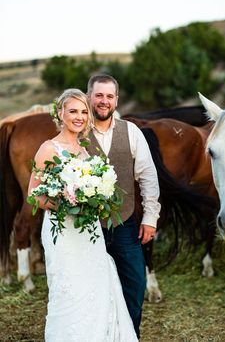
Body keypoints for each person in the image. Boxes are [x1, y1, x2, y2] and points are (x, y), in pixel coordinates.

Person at [28, 89, 138, 342]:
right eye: (73, 111)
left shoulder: (85, 150)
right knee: (69, 291)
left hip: (89, 231)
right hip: (63, 232)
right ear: (60, 113)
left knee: (95, 285)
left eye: (84, 112)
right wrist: (66, 204)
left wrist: (96, 202)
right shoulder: (48, 148)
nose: (80, 117)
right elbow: (33, 195)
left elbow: (93, 190)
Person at [86, 74, 161, 339]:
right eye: (99, 95)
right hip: (86, 228)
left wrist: (150, 217)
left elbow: (148, 176)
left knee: (135, 284)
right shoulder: (77, 133)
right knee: (91, 289)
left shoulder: (131, 132)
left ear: (116, 100)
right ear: (89, 97)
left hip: (126, 223)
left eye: (109, 96)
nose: (103, 101)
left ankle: (129, 336)